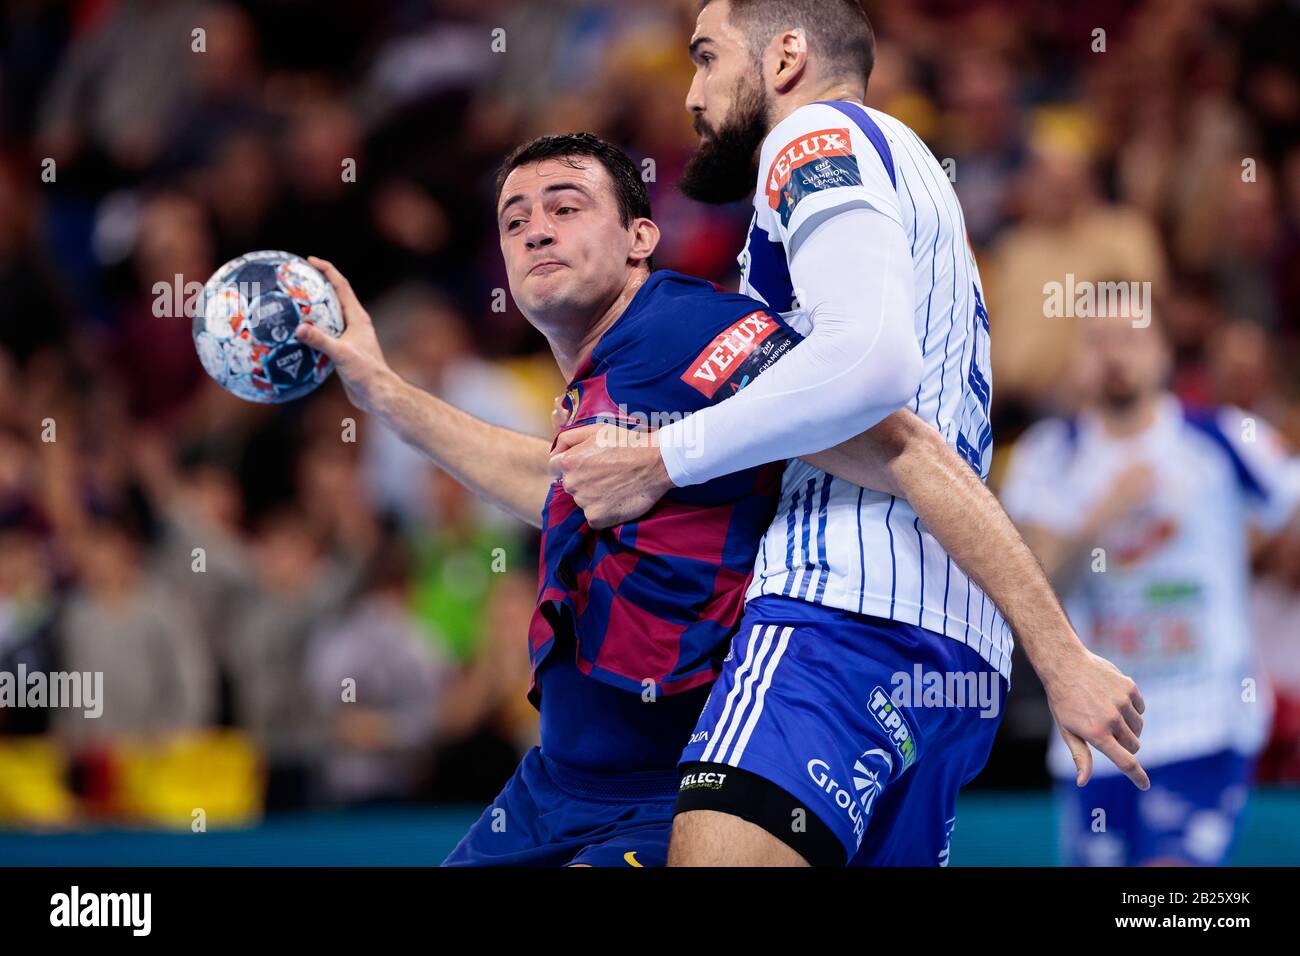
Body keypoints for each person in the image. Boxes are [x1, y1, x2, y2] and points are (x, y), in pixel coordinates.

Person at [549, 0, 1147, 865]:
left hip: (841, 612)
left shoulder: (814, 136)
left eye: (707, 57)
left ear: (786, 54)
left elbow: (868, 365)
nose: (691, 93)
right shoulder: (906, 171)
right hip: (949, 652)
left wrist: (661, 457)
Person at [297, 133, 805, 865]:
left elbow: (848, 400)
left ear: (641, 237)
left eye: (565, 207)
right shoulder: (608, 375)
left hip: (679, 793)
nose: (536, 228)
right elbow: (556, 489)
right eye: (514, 220)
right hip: (553, 788)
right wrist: (381, 392)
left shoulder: (688, 325)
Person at [1002, 306, 1299, 866]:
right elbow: (1031, 592)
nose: (1116, 353)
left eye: (1133, 338)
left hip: (1206, 720)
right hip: (1100, 728)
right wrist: (1102, 514)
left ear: (1164, 352)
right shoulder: (1048, 455)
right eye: (1099, 340)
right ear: (1078, 359)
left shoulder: (1223, 436)